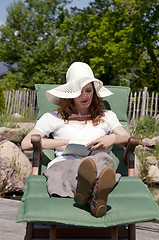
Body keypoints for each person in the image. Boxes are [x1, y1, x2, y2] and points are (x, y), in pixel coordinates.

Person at [21, 62, 130, 217]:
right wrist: (64, 142)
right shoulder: (53, 117)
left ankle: (86, 191)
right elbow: (26, 143)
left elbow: (127, 139)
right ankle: (95, 196)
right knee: (72, 168)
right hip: (66, 162)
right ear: (70, 93)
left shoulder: (107, 116)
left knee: (103, 160)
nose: (85, 95)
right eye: (79, 91)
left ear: (94, 91)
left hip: (96, 159)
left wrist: (112, 138)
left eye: (88, 90)